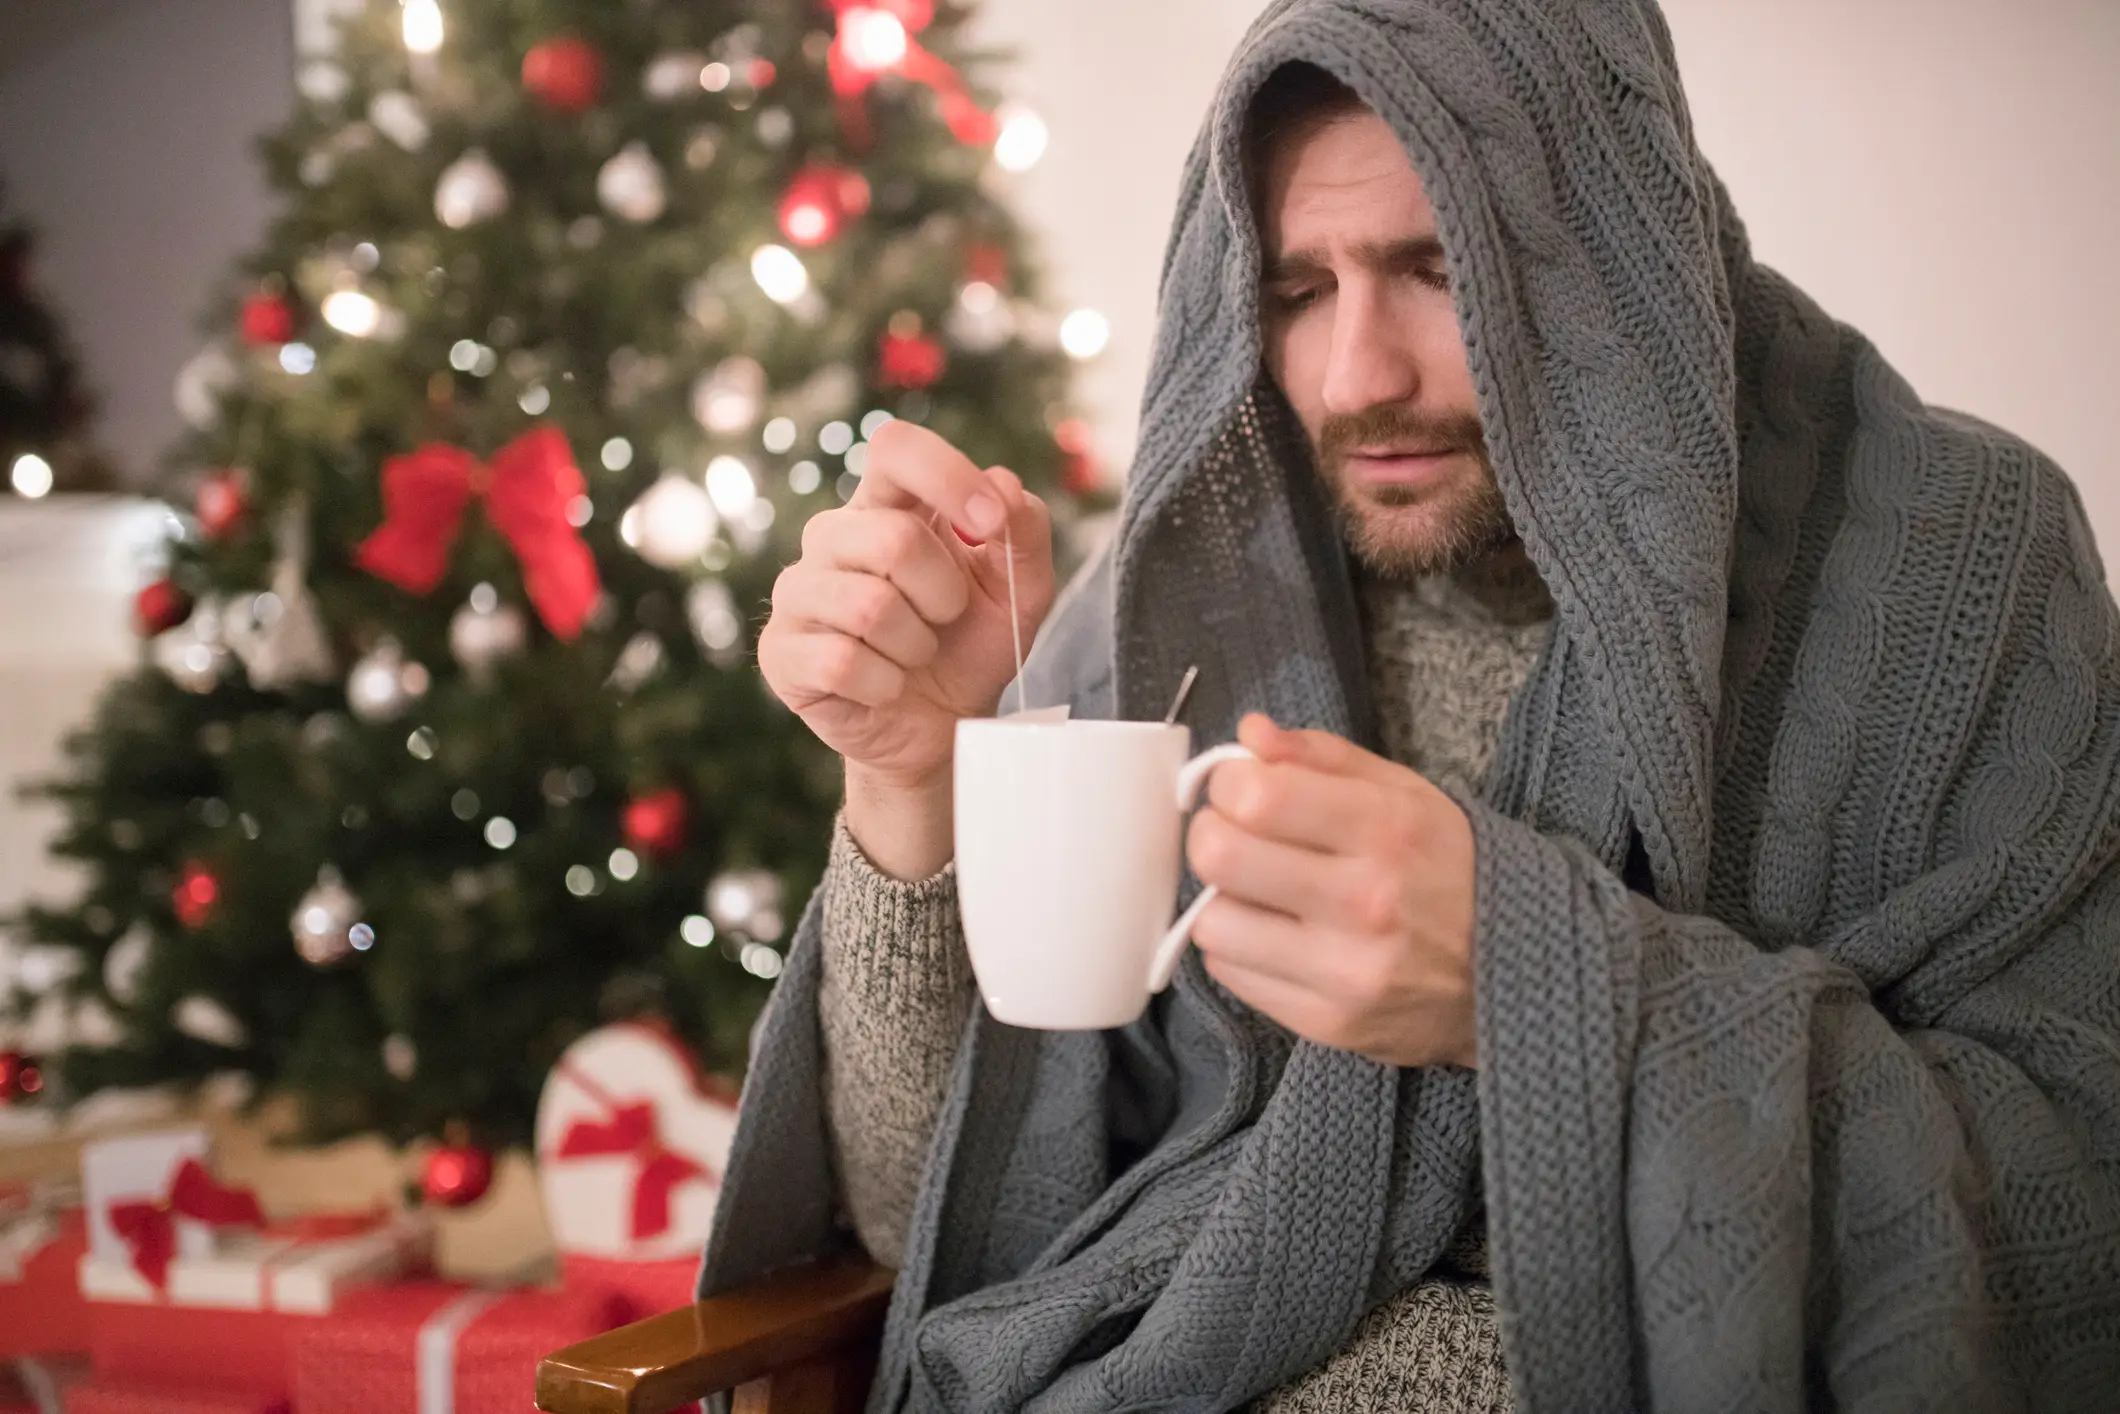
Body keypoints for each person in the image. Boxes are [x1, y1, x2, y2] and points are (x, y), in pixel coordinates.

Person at [708, 1, 2120, 1410]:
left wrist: (1531, 993)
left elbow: (2080, 1203)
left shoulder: (1953, 571)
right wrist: (903, 784)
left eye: (1443, 267)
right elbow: (926, 1229)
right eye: (1296, 290)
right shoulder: (1195, 594)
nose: (1355, 378)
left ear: (1614, 249)